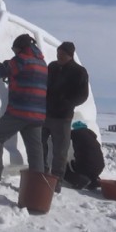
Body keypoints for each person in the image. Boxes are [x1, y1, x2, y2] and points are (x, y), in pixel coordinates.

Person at [0, 34, 48, 186]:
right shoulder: (42, 63)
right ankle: (37, 185)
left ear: (21, 47)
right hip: (38, 115)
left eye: (15, 49)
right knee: (35, 150)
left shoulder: (22, 59)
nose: (14, 52)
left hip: (19, 111)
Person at [42, 41, 89, 193]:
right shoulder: (52, 67)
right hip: (46, 114)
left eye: (62, 54)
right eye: (58, 54)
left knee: (60, 151)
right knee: (39, 143)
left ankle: (56, 181)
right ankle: (42, 174)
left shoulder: (79, 71)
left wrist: (67, 103)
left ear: (70, 55)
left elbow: (83, 95)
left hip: (63, 118)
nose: (58, 57)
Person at [63, 121, 104, 190]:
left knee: (64, 170)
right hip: (100, 166)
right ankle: (94, 181)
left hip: (87, 166)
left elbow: (63, 134)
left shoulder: (76, 133)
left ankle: (80, 181)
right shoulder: (91, 136)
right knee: (77, 164)